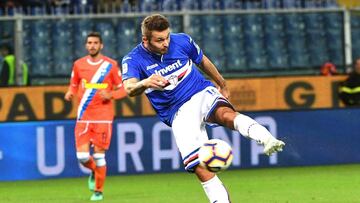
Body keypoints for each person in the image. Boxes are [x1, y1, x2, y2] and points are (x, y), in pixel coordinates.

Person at [121, 14, 285, 203]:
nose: (166, 43)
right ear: (145, 40)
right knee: (200, 167)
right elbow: (129, 88)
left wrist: (222, 83)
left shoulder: (181, 40)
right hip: (177, 112)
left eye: (167, 37)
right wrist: (146, 82)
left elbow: (202, 60)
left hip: (199, 91)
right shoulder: (133, 59)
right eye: (159, 40)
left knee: (225, 114)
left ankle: (266, 138)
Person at [64, 32, 126, 201]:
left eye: (95, 43)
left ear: (101, 45)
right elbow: (74, 84)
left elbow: (123, 89)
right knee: (82, 157)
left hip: (103, 117)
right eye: (89, 43)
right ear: (86, 45)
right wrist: (70, 92)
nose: (92, 45)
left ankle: (98, 191)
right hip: (84, 116)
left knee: (99, 156)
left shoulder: (111, 65)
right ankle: (94, 171)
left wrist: (111, 94)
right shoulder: (78, 65)